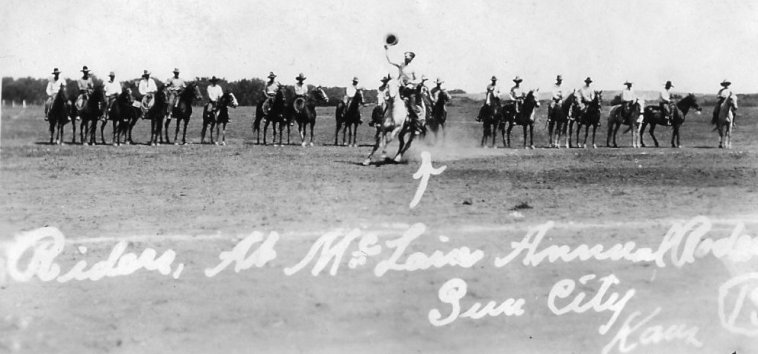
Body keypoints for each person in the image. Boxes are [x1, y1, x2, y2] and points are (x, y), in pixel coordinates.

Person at [384, 43, 422, 121]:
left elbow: (419, 80)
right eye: (405, 55)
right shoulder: (401, 64)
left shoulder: (414, 68)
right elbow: (390, 61)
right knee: (390, 100)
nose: (405, 57)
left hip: (410, 90)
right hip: (401, 87)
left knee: (411, 105)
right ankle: (383, 118)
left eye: (407, 56)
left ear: (411, 58)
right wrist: (387, 50)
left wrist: (411, 82)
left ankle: (418, 121)